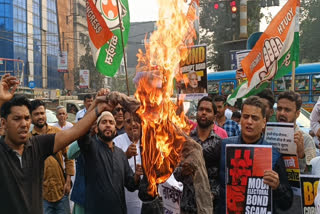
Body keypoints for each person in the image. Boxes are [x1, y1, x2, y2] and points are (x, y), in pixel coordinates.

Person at [0, 74, 112, 214]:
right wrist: (0, 100)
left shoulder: (36, 145)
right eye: (17, 119)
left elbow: (75, 131)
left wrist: (97, 108)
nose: (24, 124)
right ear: (3, 123)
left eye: (26, 118)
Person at [219, 96, 293, 213]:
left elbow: (287, 203)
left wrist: (278, 186)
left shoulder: (274, 155)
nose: (249, 121)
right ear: (240, 119)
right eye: (245, 116)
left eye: (255, 118)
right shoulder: (224, 146)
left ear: (264, 122)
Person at [77, 111, 143, 214]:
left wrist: (137, 176)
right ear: (96, 128)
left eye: (111, 123)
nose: (108, 125)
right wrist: (96, 108)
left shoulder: (121, 154)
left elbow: (131, 185)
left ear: (115, 130)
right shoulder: (91, 148)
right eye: (104, 122)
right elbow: (82, 133)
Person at [174, 96, 222, 213]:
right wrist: (184, 171)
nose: (203, 113)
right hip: (187, 205)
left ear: (214, 116)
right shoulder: (186, 141)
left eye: (208, 110)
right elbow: (175, 173)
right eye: (201, 109)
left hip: (210, 206)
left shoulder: (219, 143)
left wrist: (213, 194)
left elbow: (223, 176)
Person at [29, 100, 75, 214]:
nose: (40, 117)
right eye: (36, 114)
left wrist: (68, 180)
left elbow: (69, 156)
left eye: (42, 113)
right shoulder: (29, 139)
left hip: (61, 191)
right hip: (41, 195)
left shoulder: (57, 132)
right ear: (30, 117)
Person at [276, 91, 316, 173]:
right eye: (279, 109)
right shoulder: (269, 136)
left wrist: (301, 155)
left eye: (287, 110)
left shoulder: (306, 140)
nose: (282, 113)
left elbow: (311, 173)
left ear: (297, 114)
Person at [113, 109, 142, 214]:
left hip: (147, 197)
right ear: (124, 124)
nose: (133, 124)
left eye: (137, 120)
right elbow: (112, 168)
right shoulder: (117, 142)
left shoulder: (149, 141)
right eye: (129, 121)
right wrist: (126, 156)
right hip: (126, 196)